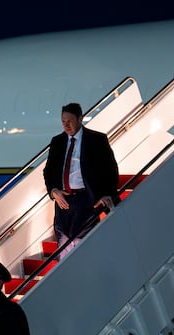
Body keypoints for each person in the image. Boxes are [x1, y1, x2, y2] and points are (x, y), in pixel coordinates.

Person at [43, 102, 119, 258]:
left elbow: (111, 170)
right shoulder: (57, 142)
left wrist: (107, 194)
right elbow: (48, 171)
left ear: (80, 119)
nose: (66, 125)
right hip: (63, 200)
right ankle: (65, 276)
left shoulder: (97, 139)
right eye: (63, 121)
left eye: (69, 121)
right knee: (63, 242)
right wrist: (53, 191)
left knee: (81, 242)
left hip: (87, 199)